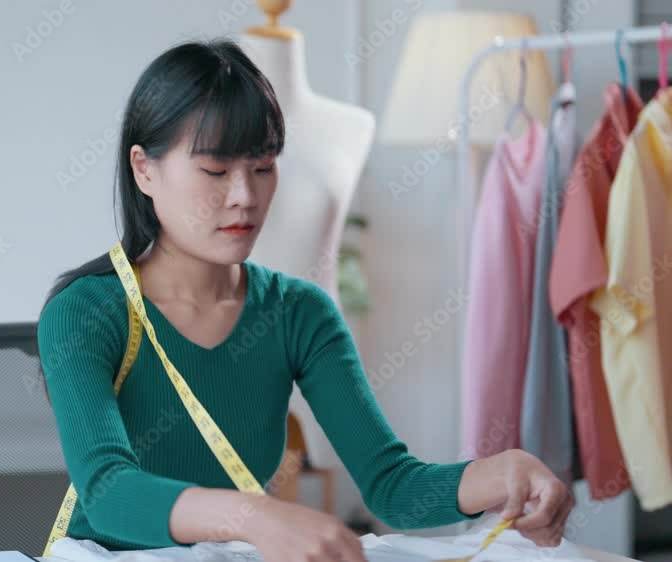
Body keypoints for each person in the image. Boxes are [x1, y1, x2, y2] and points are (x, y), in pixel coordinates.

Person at [35, 38, 574, 562]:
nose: (245, 196)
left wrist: (502, 473)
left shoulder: (298, 315)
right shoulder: (85, 313)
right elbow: (108, 492)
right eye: (216, 171)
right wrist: (256, 516)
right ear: (144, 169)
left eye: (263, 167)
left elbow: (392, 485)